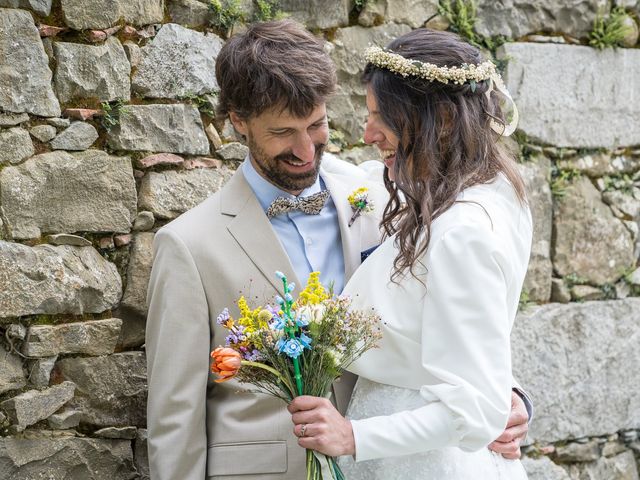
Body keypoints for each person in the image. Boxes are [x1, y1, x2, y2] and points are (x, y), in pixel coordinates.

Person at [146, 20, 531, 480]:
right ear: (239, 123)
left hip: (392, 461)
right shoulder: (188, 246)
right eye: (283, 132)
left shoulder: (383, 193)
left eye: (317, 124)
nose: (306, 150)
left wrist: (507, 397)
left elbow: (456, 313)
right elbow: (174, 418)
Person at [287, 29, 532, 479]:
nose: (367, 133)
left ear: (437, 118)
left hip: (422, 463)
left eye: (381, 117)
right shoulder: (493, 190)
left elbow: (474, 409)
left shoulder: (462, 231)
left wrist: (353, 437)